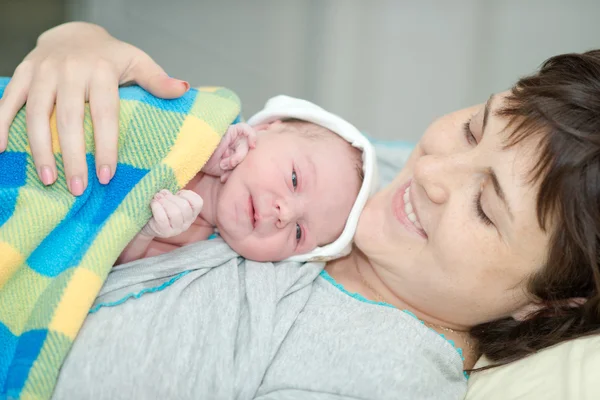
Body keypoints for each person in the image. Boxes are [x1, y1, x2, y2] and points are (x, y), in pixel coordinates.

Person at [3, 22, 600, 399]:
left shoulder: (378, 378)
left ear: (546, 301)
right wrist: (81, 46)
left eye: (486, 209)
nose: (433, 172)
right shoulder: (380, 174)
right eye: (473, 129)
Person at [118, 115, 369, 264]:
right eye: (294, 179)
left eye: (299, 233)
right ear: (264, 128)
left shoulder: (191, 246)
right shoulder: (205, 119)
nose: (286, 214)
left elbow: (115, 264)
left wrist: (145, 232)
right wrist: (197, 147)